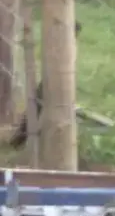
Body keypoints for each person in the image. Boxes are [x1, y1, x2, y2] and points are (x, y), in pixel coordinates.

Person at [9, 21, 82, 149]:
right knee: (39, 106)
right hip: (55, 79)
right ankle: (22, 137)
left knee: (40, 106)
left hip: (57, 79)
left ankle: (23, 137)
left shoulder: (67, 45)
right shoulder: (65, 45)